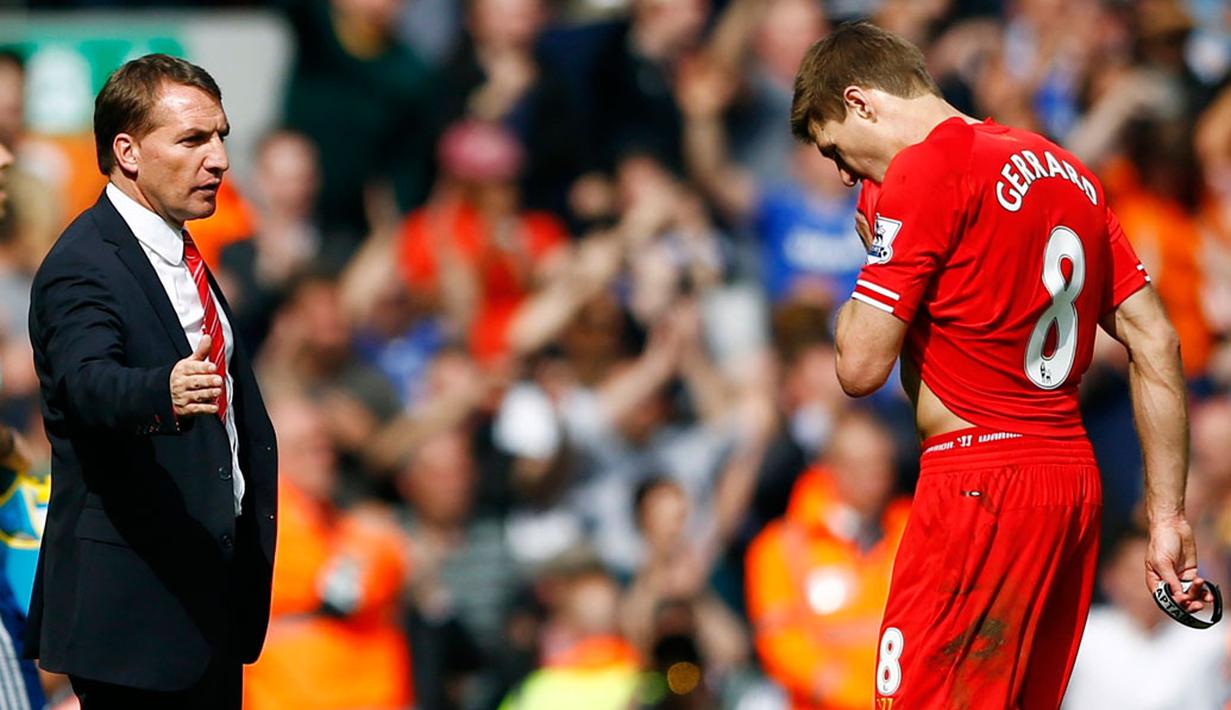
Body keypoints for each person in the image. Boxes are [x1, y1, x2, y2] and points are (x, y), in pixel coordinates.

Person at [790, 22, 1209, 708]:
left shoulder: (926, 168)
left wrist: (875, 256)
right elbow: (1156, 340)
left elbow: (859, 367)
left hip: (978, 481)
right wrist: (1166, 516)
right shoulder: (1066, 168)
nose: (841, 173)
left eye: (835, 146)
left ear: (862, 102)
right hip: (1068, 483)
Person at [24, 54, 278, 708]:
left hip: (206, 607)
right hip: (137, 619)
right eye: (193, 139)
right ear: (128, 151)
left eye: (220, 136)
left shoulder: (180, 250)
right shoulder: (85, 264)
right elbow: (85, 384)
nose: (218, 159)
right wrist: (158, 391)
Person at [744, 412, 910, 710]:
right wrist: (845, 690)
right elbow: (778, 639)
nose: (877, 476)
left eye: (882, 463)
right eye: (862, 466)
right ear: (831, 468)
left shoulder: (912, 528)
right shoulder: (781, 547)